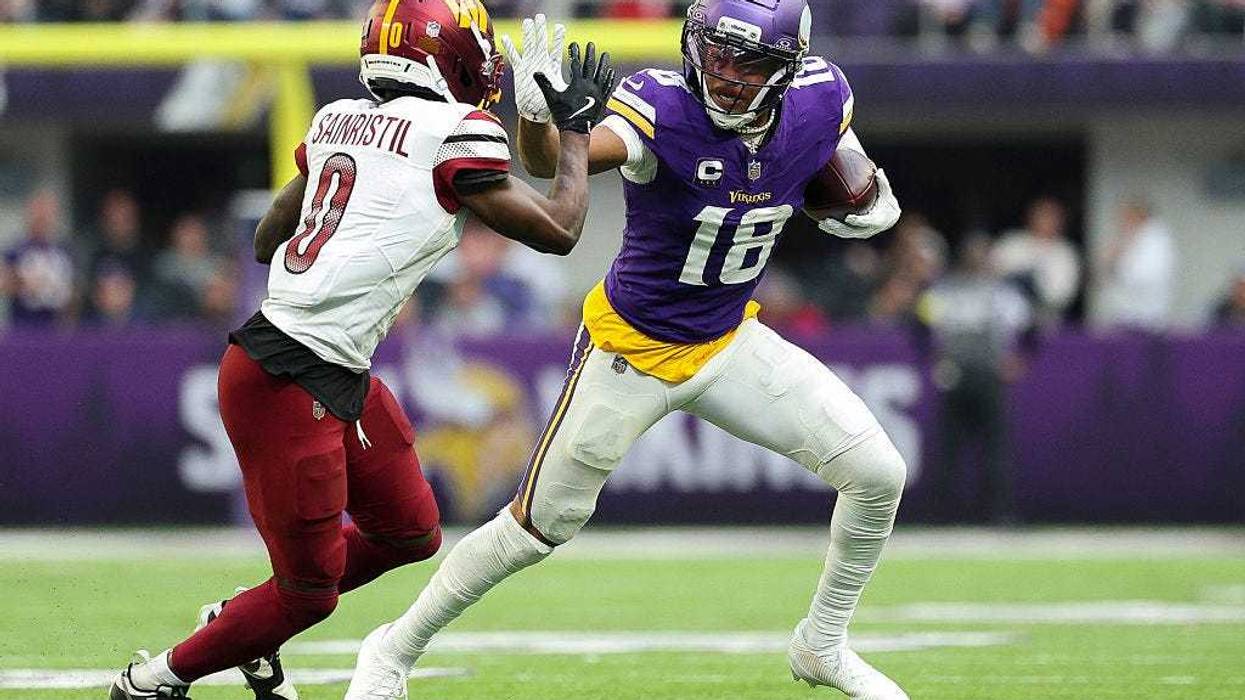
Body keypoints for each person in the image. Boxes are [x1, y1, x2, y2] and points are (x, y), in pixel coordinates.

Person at [349, 2, 910, 699]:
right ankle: (391, 649)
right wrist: (536, 118)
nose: (727, 75)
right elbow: (553, 158)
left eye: (750, 61)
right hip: (630, 349)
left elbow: (851, 175)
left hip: (727, 339)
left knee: (877, 473)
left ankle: (822, 643)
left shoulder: (823, 96)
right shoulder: (662, 107)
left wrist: (868, 200)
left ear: (788, 69)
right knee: (535, 526)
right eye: (716, 52)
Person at [108, 0, 615, 698]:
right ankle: (152, 679)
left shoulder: (334, 121)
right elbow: (559, 230)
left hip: (316, 361)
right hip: (290, 377)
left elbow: (267, 240)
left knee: (410, 531)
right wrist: (576, 133)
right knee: (306, 596)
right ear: (448, 57)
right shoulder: (452, 132)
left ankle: (237, 623)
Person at [919, 234, 1032, 524]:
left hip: (965, 374)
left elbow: (919, 324)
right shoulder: (998, 292)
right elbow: (1031, 324)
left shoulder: (946, 291)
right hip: (975, 375)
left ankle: (963, 514)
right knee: (976, 447)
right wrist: (1020, 356)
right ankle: (988, 513)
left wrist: (932, 357)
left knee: (965, 448)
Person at [992, 196, 1081, 324]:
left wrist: (1036, 288)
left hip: (1047, 320)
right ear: (1031, 217)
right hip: (1006, 320)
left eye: (1053, 216)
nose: (1048, 220)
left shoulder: (1066, 252)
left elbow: (1064, 294)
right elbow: (991, 276)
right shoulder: (1011, 242)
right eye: (1043, 215)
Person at [1093, 198, 1176, 331]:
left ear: (1138, 216)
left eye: (1125, 217)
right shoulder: (1134, 239)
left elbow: (1143, 278)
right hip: (1126, 317)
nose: (1121, 223)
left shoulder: (1155, 241)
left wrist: (1115, 260)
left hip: (1146, 320)